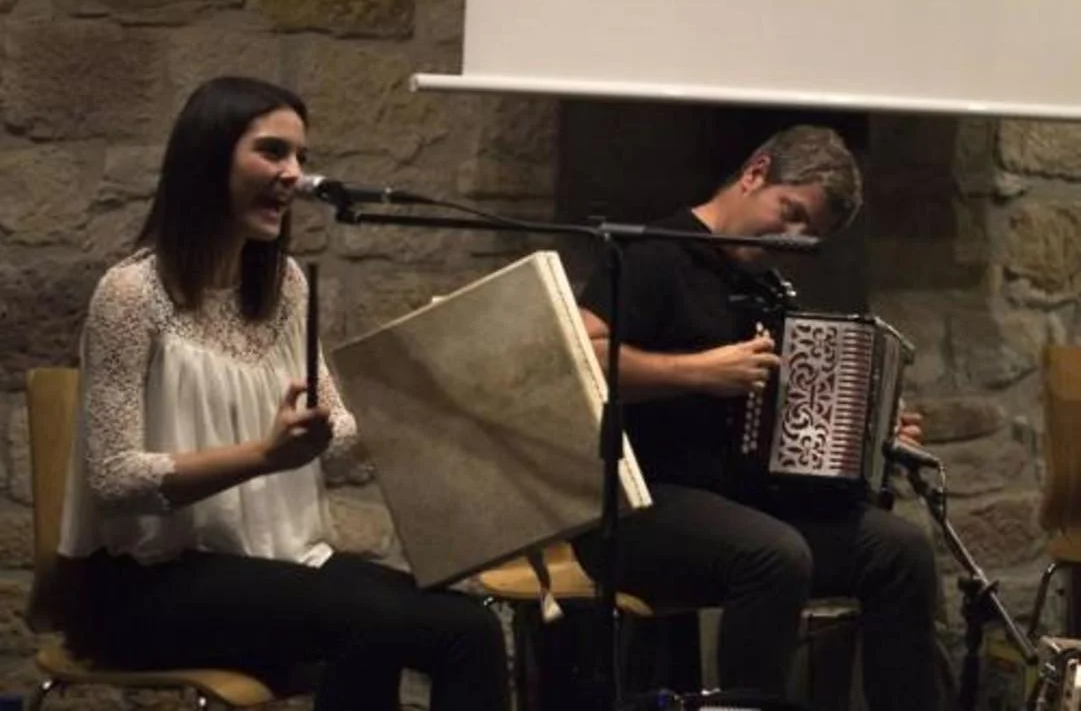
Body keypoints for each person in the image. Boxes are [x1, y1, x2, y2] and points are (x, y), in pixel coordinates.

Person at [55, 76, 509, 711]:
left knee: (471, 628)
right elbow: (112, 477)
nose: (294, 174)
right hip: (146, 582)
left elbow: (334, 442)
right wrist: (263, 457)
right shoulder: (131, 295)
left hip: (274, 560)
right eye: (272, 151)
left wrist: (411, 405)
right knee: (376, 624)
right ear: (208, 158)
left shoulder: (284, 286)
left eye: (300, 156)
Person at [571, 125, 941, 709]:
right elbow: (577, 357)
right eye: (791, 212)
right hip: (636, 503)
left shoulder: (766, 287)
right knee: (774, 555)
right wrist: (697, 372)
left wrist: (867, 433)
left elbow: (791, 413)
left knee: (900, 551)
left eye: (810, 233)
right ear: (755, 174)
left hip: (737, 502)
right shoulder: (654, 253)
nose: (792, 238)